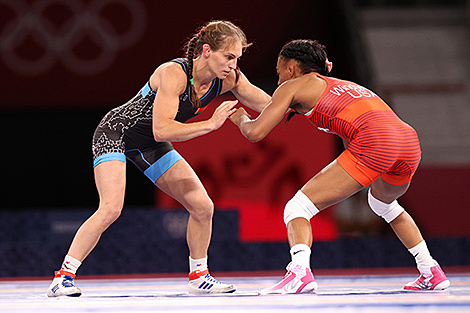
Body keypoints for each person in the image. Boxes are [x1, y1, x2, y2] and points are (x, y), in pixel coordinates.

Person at [47, 20, 271, 297]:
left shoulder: (230, 78)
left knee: (202, 207)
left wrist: (310, 99)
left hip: (150, 145)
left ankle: (199, 277)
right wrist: (211, 124)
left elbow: (271, 105)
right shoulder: (173, 73)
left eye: (237, 58)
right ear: (206, 51)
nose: (233, 65)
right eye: (228, 57)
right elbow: (162, 129)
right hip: (115, 133)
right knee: (111, 208)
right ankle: (62, 278)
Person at [229, 39, 450, 294]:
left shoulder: (292, 86)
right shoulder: (341, 85)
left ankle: (300, 273)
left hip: (375, 141)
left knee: (297, 207)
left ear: (290, 68)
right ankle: (430, 270)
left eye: (279, 73)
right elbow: (346, 133)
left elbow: (256, 131)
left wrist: (240, 118)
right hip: (408, 142)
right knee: (383, 204)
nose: (278, 80)